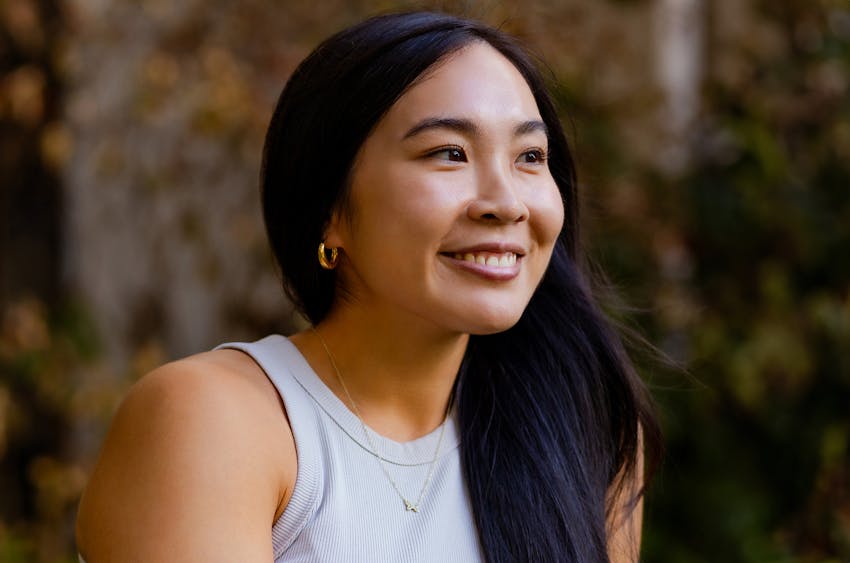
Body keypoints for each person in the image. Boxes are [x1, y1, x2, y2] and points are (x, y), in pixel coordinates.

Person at [75, 11, 661, 563]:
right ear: (330, 208)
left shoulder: (580, 427)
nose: (507, 203)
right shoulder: (219, 420)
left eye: (530, 157)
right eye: (448, 153)